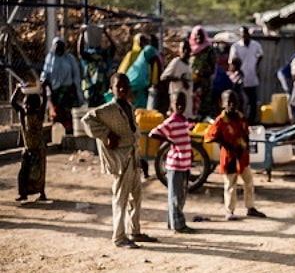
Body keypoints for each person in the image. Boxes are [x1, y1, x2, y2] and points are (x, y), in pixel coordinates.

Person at [81, 73, 158, 248]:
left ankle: (135, 231)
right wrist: (106, 135)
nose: (122, 89)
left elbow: (133, 134)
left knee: (135, 197)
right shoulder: (108, 109)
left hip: (132, 158)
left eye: (125, 86)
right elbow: (86, 120)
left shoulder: (129, 107)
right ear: (112, 89)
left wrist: (140, 159)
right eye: (118, 87)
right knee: (120, 199)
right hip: (120, 160)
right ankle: (119, 237)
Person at [204, 90, 266, 220]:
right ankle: (229, 211)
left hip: (242, 155)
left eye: (234, 101)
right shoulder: (221, 120)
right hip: (229, 157)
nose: (232, 104)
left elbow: (246, 132)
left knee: (248, 181)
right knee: (230, 184)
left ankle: (250, 207)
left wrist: (246, 146)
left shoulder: (240, 117)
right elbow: (209, 136)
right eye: (229, 102)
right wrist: (223, 143)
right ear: (223, 103)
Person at [148, 91, 196, 233]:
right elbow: (153, 133)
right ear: (172, 104)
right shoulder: (171, 121)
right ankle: (178, 224)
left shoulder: (183, 120)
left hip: (185, 164)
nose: (180, 105)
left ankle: (172, 222)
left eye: (182, 102)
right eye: (177, 103)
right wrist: (169, 141)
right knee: (175, 196)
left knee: (181, 195)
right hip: (175, 164)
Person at [11, 84, 48, 202]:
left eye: (28, 104)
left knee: (38, 174)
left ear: (36, 106)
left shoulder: (39, 115)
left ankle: (42, 193)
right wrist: (17, 89)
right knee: (23, 173)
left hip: (38, 149)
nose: (25, 106)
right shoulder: (22, 114)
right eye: (24, 104)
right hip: (27, 150)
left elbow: (45, 100)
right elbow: (12, 102)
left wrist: (44, 88)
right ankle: (23, 194)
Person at [40, 37, 84, 134]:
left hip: (67, 91)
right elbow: (45, 73)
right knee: (56, 115)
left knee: (67, 114)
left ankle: (69, 134)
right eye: (57, 47)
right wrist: (44, 81)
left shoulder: (70, 59)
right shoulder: (50, 59)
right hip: (54, 92)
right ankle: (58, 136)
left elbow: (76, 74)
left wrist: (77, 90)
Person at [228, 26, 263, 125]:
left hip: (252, 77)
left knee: (253, 101)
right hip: (240, 79)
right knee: (241, 101)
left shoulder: (255, 45)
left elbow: (260, 55)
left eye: (246, 33)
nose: (244, 36)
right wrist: (237, 71)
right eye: (242, 34)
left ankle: (251, 122)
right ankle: (241, 121)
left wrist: (256, 67)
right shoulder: (235, 46)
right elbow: (232, 62)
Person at [77, 25, 116, 107]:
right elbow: (80, 51)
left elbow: (113, 48)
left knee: (101, 109)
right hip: (90, 87)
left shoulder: (103, 54)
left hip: (102, 88)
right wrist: (82, 34)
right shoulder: (88, 55)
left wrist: (105, 33)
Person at [160, 39, 193, 120]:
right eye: (183, 48)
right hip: (176, 98)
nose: (185, 51)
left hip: (187, 99)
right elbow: (164, 77)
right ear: (180, 50)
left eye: (187, 48)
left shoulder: (190, 64)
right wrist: (179, 79)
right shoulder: (176, 62)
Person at [189, 25, 217, 118]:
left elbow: (213, 67)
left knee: (204, 105)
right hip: (191, 82)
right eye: (196, 35)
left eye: (201, 35)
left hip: (204, 82)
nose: (199, 37)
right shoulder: (190, 49)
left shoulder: (209, 49)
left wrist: (203, 73)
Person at [125, 43, 159, 109]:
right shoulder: (139, 67)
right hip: (134, 96)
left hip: (141, 96)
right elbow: (135, 81)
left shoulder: (146, 66)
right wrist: (147, 85)